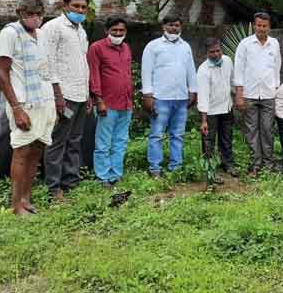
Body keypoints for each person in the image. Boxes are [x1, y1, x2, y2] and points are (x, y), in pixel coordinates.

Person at [0, 0, 55, 215]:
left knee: (37, 149)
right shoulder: (9, 33)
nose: (35, 18)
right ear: (20, 13)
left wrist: (56, 98)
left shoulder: (40, 35)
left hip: (43, 100)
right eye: (29, 14)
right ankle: (15, 204)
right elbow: (2, 73)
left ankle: (26, 199)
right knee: (22, 150)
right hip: (23, 102)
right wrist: (17, 108)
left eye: (38, 14)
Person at [40, 0, 91, 199]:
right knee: (57, 141)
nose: (80, 11)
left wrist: (87, 95)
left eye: (83, 7)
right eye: (76, 6)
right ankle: (53, 188)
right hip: (64, 96)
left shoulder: (81, 31)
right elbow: (48, 64)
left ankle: (70, 182)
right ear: (65, 6)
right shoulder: (53, 28)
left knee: (75, 140)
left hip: (80, 94)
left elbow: (83, 64)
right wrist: (57, 96)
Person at [141, 15, 197, 178]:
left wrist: (193, 91)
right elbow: (146, 71)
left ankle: (176, 167)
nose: (174, 28)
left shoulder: (185, 46)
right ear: (163, 27)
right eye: (171, 25)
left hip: (181, 99)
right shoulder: (153, 46)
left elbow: (190, 70)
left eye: (177, 25)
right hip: (160, 98)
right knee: (157, 134)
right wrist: (148, 95)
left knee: (178, 135)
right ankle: (155, 168)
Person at [233, 12, 281, 177]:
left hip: (268, 94)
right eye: (259, 25)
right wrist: (239, 94)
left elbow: (277, 68)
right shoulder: (245, 44)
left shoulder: (274, 44)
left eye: (265, 26)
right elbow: (238, 70)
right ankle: (255, 164)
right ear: (255, 25)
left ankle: (268, 164)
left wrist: (276, 90)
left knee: (267, 129)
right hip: (250, 94)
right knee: (252, 130)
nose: (261, 29)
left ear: (269, 27)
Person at [87, 16, 132, 187]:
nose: (118, 33)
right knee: (103, 143)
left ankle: (116, 174)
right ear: (107, 31)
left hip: (126, 104)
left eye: (121, 31)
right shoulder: (96, 48)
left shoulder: (126, 48)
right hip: (107, 103)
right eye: (114, 30)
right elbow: (94, 75)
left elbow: (127, 74)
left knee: (120, 141)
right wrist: (99, 100)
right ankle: (103, 176)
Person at [197, 38, 237, 183]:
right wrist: (204, 121)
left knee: (226, 138)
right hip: (210, 112)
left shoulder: (227, 61)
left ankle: (228, 164)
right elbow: (202, 96)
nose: (216, 54)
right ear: (207, 53)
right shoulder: (203, 70)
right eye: (212, 52)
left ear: (221, 50)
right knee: (208, 142)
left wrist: (239, 98)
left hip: (226, 107)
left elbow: (232, 82)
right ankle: (210, 171)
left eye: (218, 51)